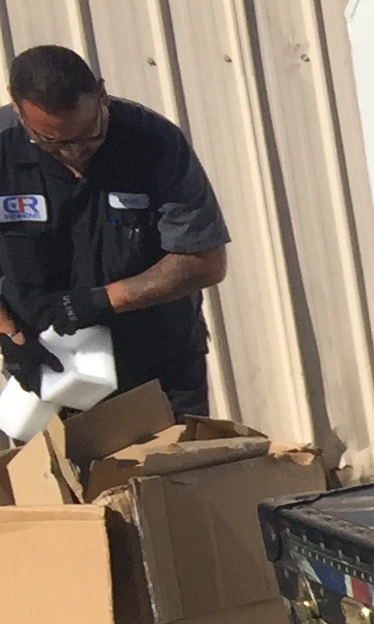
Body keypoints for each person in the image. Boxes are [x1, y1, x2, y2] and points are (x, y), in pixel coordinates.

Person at [0, 45, 232, 419]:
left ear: (102, 93)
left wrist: (100, 301)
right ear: (18, 109)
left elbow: (204, 260)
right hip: (49, 368)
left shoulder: (155, 143)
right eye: (51, 143)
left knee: (175, 458)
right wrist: (8, 333)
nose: (73, 153)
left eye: (88, 135)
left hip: (158, 365)